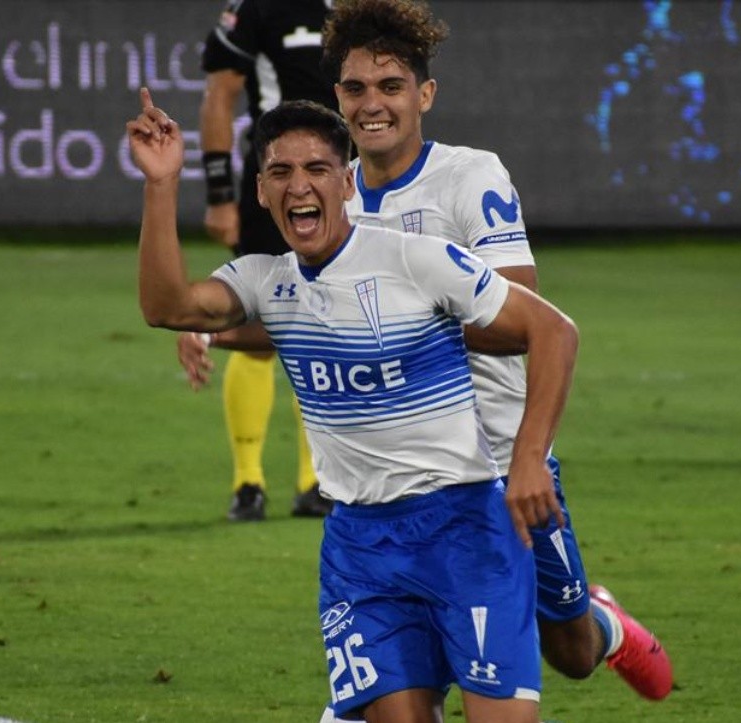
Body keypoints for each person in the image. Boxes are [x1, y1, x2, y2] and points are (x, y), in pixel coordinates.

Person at [185, 0, 675, 712]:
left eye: (390, 87)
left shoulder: (468, 178)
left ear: (424, 95)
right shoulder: (328, 194)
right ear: (336, 98)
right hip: (399, 490)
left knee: (567, 651)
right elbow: (314, 312)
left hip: (503, 464)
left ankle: (605, 622)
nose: (371, 105)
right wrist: (218, 328)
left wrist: (404, 318)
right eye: (354, 89)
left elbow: (520, 312)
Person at [130, 95, 580, 723]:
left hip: (467, 531)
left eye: (317, 169)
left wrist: (528, 460)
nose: (299, 186)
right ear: (261, 191)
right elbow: (167, 307)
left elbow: (554, 332)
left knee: (562, 665)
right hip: (362, 551)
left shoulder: (414, 259)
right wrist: (161, 183)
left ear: (346, 183)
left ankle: (599, 623)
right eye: (281, 173)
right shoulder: (266, 282)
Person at [198, 0, 338, 521]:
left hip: (344, 186)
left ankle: (317, 481)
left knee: (331, 327)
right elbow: (221, 95)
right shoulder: (255, 7)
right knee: (257, 327)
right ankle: (248, 483)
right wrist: (219, 194)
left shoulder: (356, 8)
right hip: (275, 183)